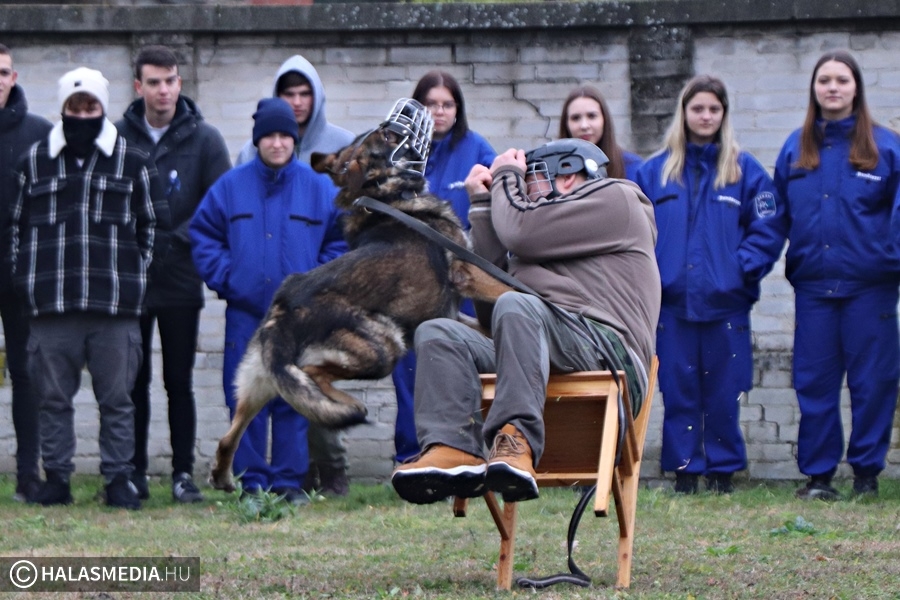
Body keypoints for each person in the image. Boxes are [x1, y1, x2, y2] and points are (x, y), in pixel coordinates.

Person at [391, 138, 660, 505]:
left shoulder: (618, 199)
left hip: (609, 356)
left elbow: (520, 232)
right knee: (438, 332)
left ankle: (516, 438)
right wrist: (482, 207)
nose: (522, 188)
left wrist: (504, 174)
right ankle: (452, 448)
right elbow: (492, 315)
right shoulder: (538, 238)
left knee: (517, 305)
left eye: (528, 177)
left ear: (567, 175)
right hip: (540, 353)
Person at [9, 67, 167, 509]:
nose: (82, 114)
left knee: (118, 401)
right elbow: (15, 227)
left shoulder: (133, 161)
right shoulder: (34, 162)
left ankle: (118, 480)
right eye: (74, 107)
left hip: (114, 308)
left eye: (91, 106)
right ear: (63, 109)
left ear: (102, 108)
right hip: (51, 306)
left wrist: (136, 275)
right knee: (52, 401)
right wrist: (25, 277)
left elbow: (154, 225)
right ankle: (56, 479)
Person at [190, 97, 346, 504]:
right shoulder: (230, 187)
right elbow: (203, 235)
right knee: (247, 399)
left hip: (299, 318)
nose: (277, 144)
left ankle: (290, 482)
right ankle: (252, 483)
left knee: (295, 396)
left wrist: (316, 283)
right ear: (257, 140)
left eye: (284, 136)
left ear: (295, 140)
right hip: (247, 315)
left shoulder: (319, 188)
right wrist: (229, 278)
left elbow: (340, 241)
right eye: (269, 136)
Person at [635, 75, 786, 495]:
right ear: (683, 113)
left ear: (724, 114)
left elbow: (768, 228)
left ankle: (723, 472)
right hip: (672, 307)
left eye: (713, 109)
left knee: (724, 390)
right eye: (697, 108)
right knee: (678, 389)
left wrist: (738, 270)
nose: (705, 116)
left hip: (726, 305)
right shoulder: (654, 172)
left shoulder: (744, 171)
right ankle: (685, 472)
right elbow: (635, 233)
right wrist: (655, 276)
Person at [774, 50, 900, 500]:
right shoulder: (795, 149)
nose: (832, 87)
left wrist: (888, 259)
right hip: (815, 290)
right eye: (824, 80)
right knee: (815, 384)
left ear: (856, 87)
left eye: (841, 80)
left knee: (873, 384)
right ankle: (819, 477)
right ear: (813, 89)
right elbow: (775, 218)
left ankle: (866, 475)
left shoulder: (886, 147)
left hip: (871, 290)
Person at [116, 45, 232, 504]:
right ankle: (134, 472)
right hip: (131, 280)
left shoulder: (206, 140)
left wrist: (175, 238)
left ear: (179, 83)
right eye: (154, 82)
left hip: (182, 277)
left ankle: (183, 473)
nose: (163, 90)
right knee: (133, 382)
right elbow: (107, 201)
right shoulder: (117, 138)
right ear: (138, 86)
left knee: (178, 382)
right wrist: (141, 239)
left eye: (170, 81)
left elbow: (218, 206)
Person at [236, 55, 355, 496]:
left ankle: (332, 467)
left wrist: (330, 276)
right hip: (268, 293)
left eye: (305, 93)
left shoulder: (340, 146)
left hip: (324, 288)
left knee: (315, 375)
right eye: (289, 94)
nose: (298, 102)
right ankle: (287, 473)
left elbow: (347, 222)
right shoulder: (248, 153)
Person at [388, 71, 497, 464]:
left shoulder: (477, 149)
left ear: (458, 109)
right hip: (409, 283)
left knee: (458, 370)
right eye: (430, 104)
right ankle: (409, 458)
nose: (439, 112)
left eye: (447, 104)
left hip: (460, 283)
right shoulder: (398, 153)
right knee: (409, 373)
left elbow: (497, 206)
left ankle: (464, 455)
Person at [0, 43, 52, 503]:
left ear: (13, 78)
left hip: (22, 276)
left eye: (2, 73)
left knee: (25, 374)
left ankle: (27, 476)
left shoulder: (40, 135)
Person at [559, 85, 642, 181]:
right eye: (575, 118)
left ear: (604, 119)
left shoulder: (633, 167)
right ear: (566, 124)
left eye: (591, 116)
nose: (584, 125)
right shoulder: (551, 171)